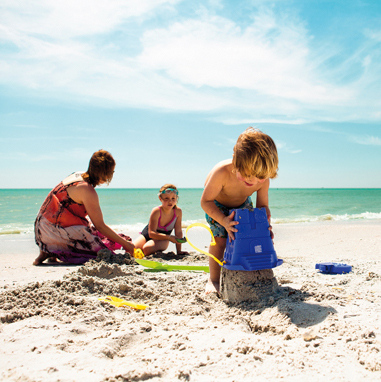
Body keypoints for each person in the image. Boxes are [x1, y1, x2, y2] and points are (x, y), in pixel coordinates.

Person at [201, 127, 278, 294]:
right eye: (247, 174)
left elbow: (262, 207)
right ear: (236, 161)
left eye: (260, 177)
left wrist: (264, 225)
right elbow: (205, 201)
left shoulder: (262, 179)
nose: (253, 181)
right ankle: (213, 279)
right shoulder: (221, 172)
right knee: (220, 239)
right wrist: (223, 220)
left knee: (249, 237)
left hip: (242, 204)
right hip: (216, 205)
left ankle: (248, 268)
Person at [33, 150, 135, 265]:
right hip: (53, 231)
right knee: (101, 248)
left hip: (41, 229)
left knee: (97, 234)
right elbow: (100, 225)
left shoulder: (78, 175)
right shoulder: (87, 190)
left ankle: (47, 250)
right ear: (105, 173)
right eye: (112, 172)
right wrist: (126, 245)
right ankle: (54, 249)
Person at [133, 184, 188, 257]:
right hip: (148, 235)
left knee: (147, 249)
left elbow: (178, 232)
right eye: (166, 198)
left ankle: (150, 247)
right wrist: (169, 237)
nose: (170, 201)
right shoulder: (156, 211)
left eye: (173, 198)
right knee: (131, 250)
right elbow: (151, 233)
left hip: (163, 239)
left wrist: (179, 251)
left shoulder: (178, 212)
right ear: (160, 198)